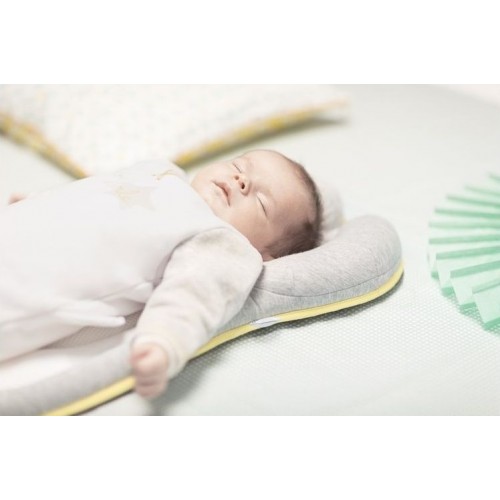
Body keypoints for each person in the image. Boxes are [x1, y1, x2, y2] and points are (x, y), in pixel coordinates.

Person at [1, 149, 322, 399]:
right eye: (239, 165)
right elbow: (90, 194)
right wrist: (36, 200)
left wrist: (165, 342)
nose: (241, 180)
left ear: (263, 254)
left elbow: (195, 296)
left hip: (22, 285)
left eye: (262, 203)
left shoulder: (221, 241)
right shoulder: (161, 172)